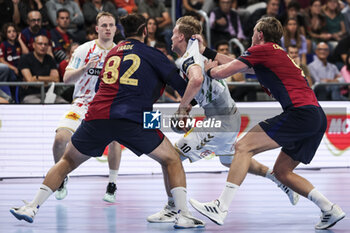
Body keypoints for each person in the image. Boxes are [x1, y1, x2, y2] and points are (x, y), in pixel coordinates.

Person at [10, 13, 205, 229]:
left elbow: (97, 89)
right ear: (144, 32)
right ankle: (182, 214)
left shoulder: (111, 53)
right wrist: (187, 101)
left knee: (66, 161)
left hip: (98, 114)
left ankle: (32, 206)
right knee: (172, 159)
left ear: (122, 32)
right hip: (134, 117)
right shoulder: (152, 54)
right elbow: (185, 87)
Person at [188, 17, 345, 230]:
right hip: (315, 117)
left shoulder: (262, 50)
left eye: (253, 32)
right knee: (282, 172)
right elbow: (237, 64)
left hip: (299, 114)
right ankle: (329, 208)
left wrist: (208, 69)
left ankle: (220, 206)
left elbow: (223, 71)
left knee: (243, 147)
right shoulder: (275, 53)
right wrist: (206, 50)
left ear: (259, 34)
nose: (252, 36)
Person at [147, 15, 299, 224]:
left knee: (171, 157)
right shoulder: (194, 52)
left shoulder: (188, 58)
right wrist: (188, 107)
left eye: (173, 33)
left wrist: (181, 110)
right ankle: (278, 179)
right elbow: (202, 83)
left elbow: (197, 79)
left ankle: (175, 209)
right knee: (229, 159)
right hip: (226, 115)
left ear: (181, 36)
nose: (171, 37)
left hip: (221, 120)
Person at [53, 12, 121, 203]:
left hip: (108, 104)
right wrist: (85, 68)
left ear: (115, 29)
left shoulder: (122, 53)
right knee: (60, 139)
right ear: (97, 29)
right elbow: (66, 79)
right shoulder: (84, 50)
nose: (108, 28)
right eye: (104, 25)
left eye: (111, 25)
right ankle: (60, 177)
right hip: (83, 103)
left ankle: (112, 184)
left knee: (115, 139)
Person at [17, 35, 67, 103]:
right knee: (38, 105)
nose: (43, 46)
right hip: (30, 95)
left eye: (45, 44)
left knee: (63, 103)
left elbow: (56, 79)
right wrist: (48, 80)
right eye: (40, 44)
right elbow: (30, 81)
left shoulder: (50, 59)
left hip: (49, 94)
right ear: (34, 45)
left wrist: (36, 78)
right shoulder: (25, 58)